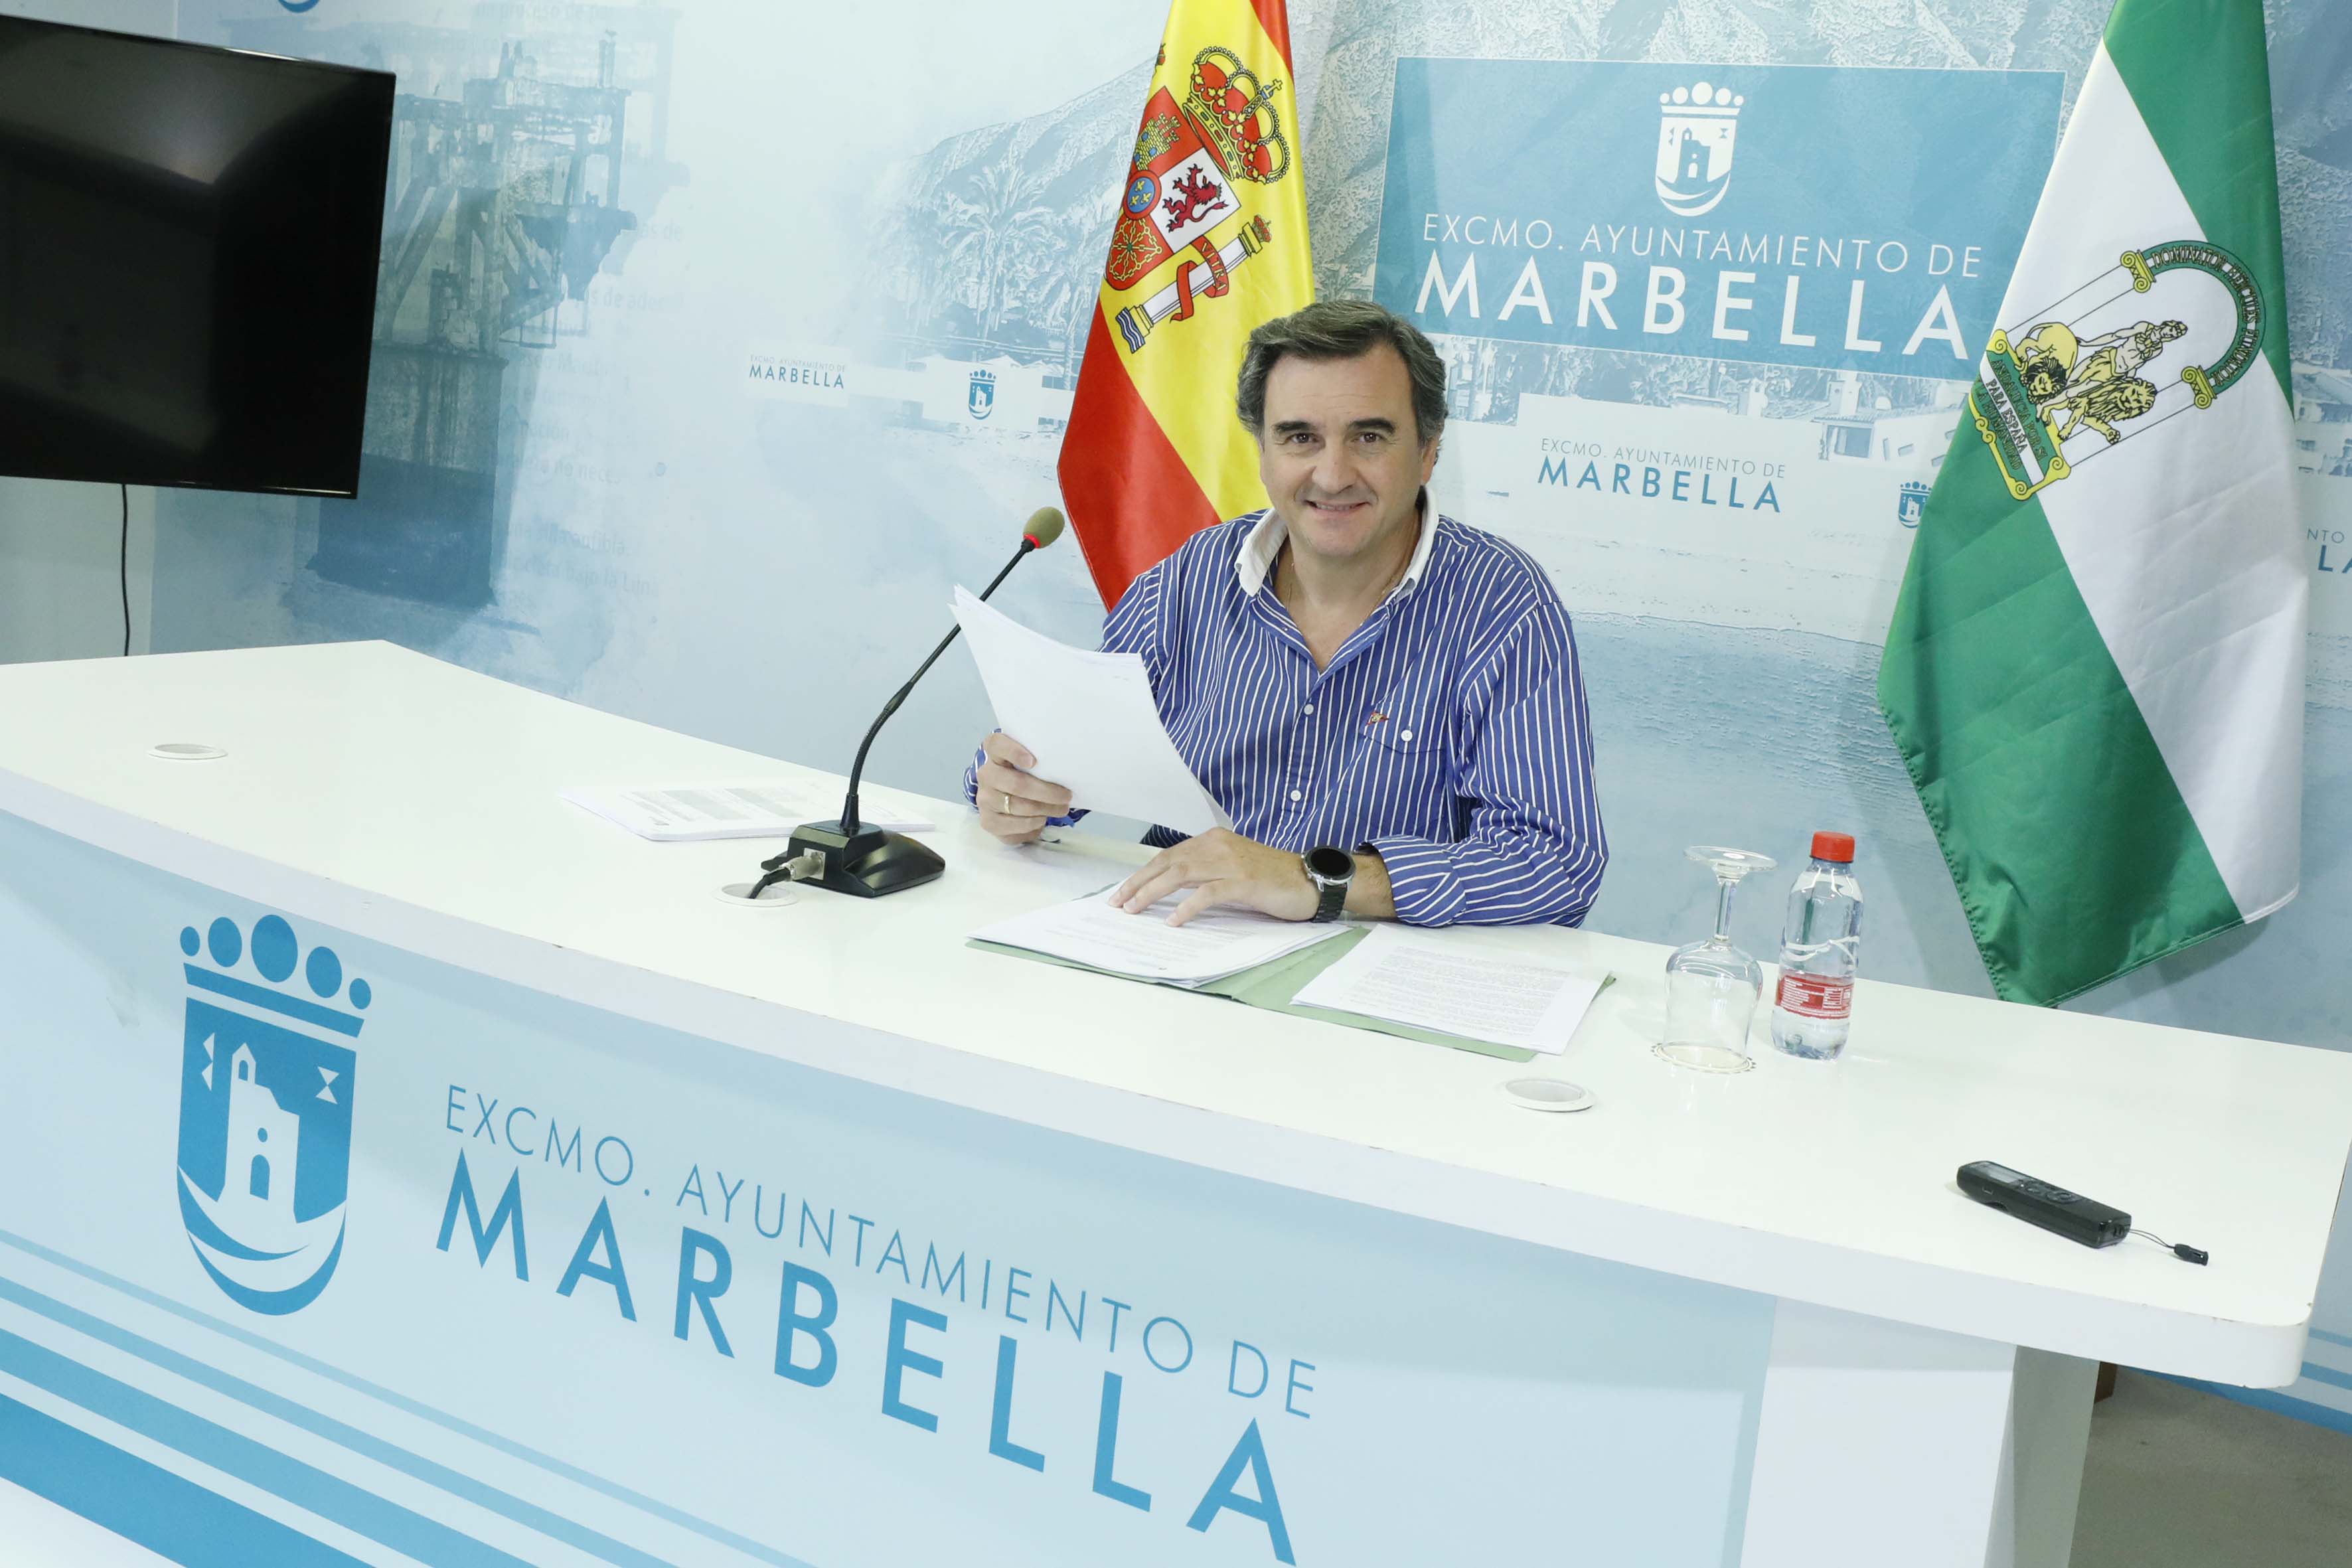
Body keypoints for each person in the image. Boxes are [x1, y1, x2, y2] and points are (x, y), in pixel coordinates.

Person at [967, 300, 1606, 927]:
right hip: (1178, 935)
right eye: (1300, 438)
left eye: (1369, 437)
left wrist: (1316, 880)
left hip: (1379, 967)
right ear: (1263, 453)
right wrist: (1012, 792)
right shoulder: (1192, 576)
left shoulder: (1502, 603)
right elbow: (1056, 758)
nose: (1332, 475)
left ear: (1427, 452)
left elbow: (1555, 864)